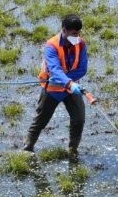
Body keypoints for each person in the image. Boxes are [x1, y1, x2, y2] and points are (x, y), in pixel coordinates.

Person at [23, 14, 88, 154]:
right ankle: (28, 148)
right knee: (40, 121)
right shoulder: (51, 46)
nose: (76, 37)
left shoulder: (80, 44)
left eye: (78, 33)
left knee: (79, 119)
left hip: (71, 89)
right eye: (73, 34)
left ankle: (73, 149)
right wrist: (67, 81)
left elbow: (82, 69)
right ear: (64, 30)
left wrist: (68, 83)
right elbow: (54, 69)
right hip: (52, 89)